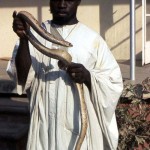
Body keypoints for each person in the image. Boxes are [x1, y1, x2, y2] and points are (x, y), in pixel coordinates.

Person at [7, 0, 123, 149]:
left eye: (68, 0)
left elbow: (113, 82)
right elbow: (22, 78)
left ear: (78, 1)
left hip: (79, 125)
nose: (62, 4)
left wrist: (88, 77)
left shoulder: (93, 40)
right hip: (44, 125)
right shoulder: (34, 34)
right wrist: (24, 38)